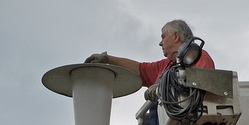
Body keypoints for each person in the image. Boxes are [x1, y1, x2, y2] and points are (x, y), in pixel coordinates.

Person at [86, 19, 216, 90]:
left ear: (176, 36)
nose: (160, 43)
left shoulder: (198, 57)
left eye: (163, 37)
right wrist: (108, 59)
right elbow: (139, 69)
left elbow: (200, 88)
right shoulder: (166, 65)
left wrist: (161, 90)